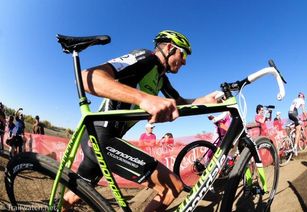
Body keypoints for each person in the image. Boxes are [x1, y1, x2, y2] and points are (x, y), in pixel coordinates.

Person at [63, 30, 222, 211]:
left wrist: (205, 100)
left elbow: (181, 102)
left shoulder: (161, 79)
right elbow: (86, 78)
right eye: (183, 54)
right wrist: (144, 99)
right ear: (170, 48)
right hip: (101, 137)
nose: (185, 61)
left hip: (104, 138)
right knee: (173, 187)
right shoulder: (145, 58)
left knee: (75, 195)